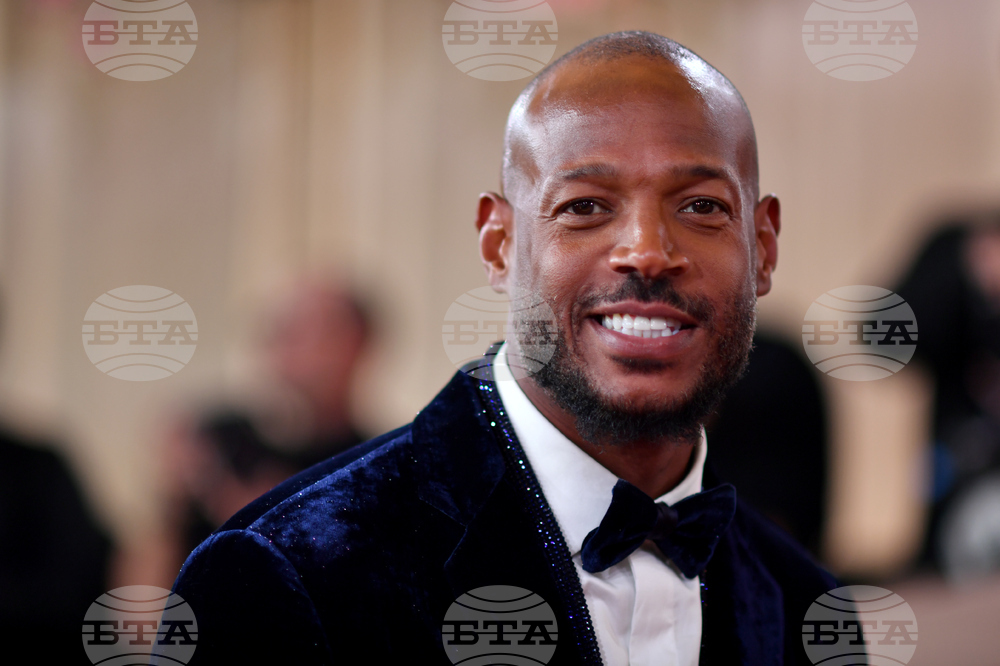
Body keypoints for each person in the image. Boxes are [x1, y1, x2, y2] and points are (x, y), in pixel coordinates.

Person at [173, 32, 838, 664]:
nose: (647, 251)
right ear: (499, 244)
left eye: (700, 207)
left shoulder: (810, 607)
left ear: (764, 248)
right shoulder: (284, 572)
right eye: (584, 206)